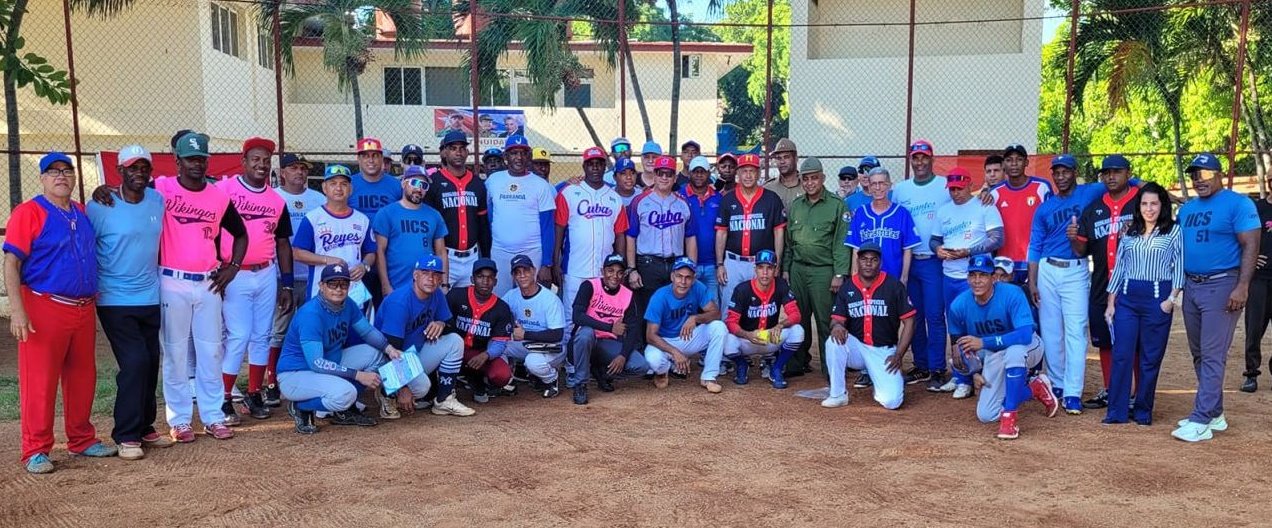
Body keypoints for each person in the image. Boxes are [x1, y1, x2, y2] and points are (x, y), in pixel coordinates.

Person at [6, 152, 116, 473]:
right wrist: (17, 310)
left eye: (67, 171)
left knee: (82, 376)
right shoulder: (29, 212)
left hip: (82, 307)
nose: (61, 176)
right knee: (40, 380)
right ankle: (35, 449)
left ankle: (81, 439)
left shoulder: (81, 212)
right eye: (53, 171)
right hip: (44, 305)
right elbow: (11, 262)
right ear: (42, 178)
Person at [156, 133, 248, 442]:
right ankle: (180, 420)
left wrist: (232, 268)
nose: (197, 163)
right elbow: (130, 193)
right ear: (178, 161)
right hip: (172, 280)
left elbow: (241, 234)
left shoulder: (218, 196)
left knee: (211, 352)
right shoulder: (162, 188)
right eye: (191, 158)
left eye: (202, 158)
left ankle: (212, 416)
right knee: (175, 353)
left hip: (208, 282)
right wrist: (106, 190)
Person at [86, 145, 170, 462]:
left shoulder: (157, 200)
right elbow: (85, 245)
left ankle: (146, 426)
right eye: (132, 168)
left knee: (150, 361)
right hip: (114, 299)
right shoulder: (99, 205)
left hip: (150, 295)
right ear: (120, 171)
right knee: (134, 362)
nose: (139, 173)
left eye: (144, 168)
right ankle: (126, 434)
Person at [1172, 153, 1260, 442]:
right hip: (1192, 286)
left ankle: (1200, 418)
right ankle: (1215, 413)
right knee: (1199, 352)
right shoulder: (1187, 210)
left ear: (1219, 174)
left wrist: (1242, 285)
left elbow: (1250, 245)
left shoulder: (1239, 203)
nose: (1199, 179)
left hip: (1223, 285)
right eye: (1195, 175)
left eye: (1205, 173)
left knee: (1212, 354)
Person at [217, 137, 294, 426]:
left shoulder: (276, 200)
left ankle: (253, 393)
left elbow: (283, 242)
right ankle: (224, 397)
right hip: (234, 272)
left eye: (266, 160)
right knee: (238, 336)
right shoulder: (224, 189)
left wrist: (286, 284)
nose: (261, 165)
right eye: (255, 159)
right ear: (244, 161)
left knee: (261, 335)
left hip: (265, 272)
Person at [276, 264, 402, 434]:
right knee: (345, 394)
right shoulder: (311, 314)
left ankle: (345, 411)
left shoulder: (347, 304)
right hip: (296, 374)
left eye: (343, 284)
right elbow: (317, 363)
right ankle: (301, 406)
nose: (338, 289)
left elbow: (367, 332)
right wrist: (359, 375)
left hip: (329, 361)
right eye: (332, 284)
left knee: (375, 354)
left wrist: (389, 349)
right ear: (321, 286)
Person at [947, 254, 1058, 440]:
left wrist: (983, 343)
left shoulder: (1012, 294)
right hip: (995, 354)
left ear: (993, 278)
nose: (977, 281)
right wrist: (974, 372)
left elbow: (1023, 335)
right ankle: (1036, 388)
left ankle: (1010, 417)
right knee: (986, 415)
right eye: (972, 275)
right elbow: (960, 349)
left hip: (1029, 346)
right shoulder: (959, 305)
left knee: (1014, 352)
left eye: (982, 275)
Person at [1103, 182, 1183, 425]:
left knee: (1150, 357)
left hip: (1157, 299)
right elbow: (1120, 267)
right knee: (1122, 354)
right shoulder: (1130, 231)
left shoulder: (1173, 231)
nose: (1149, 209)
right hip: (1127, 299)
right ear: (1139, 206)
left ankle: (1143, 411)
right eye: (1144, 204)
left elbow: (1179, 266)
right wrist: (1111, 302)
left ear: (1162, 205)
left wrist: (1170, 301)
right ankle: (1116, 412)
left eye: (1154, 204)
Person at [1070, 155, 1142, 410]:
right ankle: (1112, 390)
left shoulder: (1141, 201)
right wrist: (1073, 239)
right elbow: (1082, 250)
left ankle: (1136, 394)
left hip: (1135, 283)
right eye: (1106, 173)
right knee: (1104, 339)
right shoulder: (1094, 208)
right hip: (1102, 283)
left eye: (1117, 172)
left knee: (1134, 340)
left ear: (1128, 173)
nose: (1111, 177)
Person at [932, 167, 1004, 398]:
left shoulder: (984, 205)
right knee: (954, 324)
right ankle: (959, 374)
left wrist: (969, 252)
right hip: (949, 274)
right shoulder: (944, 210)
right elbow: (934, 239)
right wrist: (938, 250)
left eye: (960, 188)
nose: (955, 193)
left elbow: (997, 238)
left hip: (974, 276)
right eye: (952, 189)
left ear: (969, 184)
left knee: (975, 325)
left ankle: (976, 377)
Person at [375, 256, 476, 418]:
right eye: (425, 273)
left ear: (441, 278)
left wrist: (441, 324)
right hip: (387, 359)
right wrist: (403, 387)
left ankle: (444, 399)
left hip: (414, 354)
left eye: (436, 274)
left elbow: (451, 324)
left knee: (455, 341)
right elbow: (390, 349)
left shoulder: (436, 294)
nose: (431, 279)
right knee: (421, 388)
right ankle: (386, 392)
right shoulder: (399, 302)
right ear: (415, 275)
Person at [821, 243, 915, 410]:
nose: (869, 263)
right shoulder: (847, 286)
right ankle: (837, 394)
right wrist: (836, 326)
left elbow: (910, 321)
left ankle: (881, 379)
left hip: (884, 351)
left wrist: (899, 354)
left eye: (874, 259)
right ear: (858, 261)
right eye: (864, 259)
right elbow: (836, 319)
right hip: (857, 347)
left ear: (880, 262)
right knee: (833, 342)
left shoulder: (893, 286)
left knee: (892, 402)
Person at [782, 156, 850, 380]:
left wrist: (839, 273)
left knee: (824, 320)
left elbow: (841, 243)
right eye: (806, 179)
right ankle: (796, 362)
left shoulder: (836, 205)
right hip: (798, 269)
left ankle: (831, 368)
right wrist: (786, 269)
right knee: (797, 318)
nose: (810, 183)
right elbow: (789, 243)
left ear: (822, 178)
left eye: (814, 178)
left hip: (824, 271)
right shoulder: (797, 206)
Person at [892, 142, 951, 388]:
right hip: (908, 260)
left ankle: (937, 367)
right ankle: (922, 365)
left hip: (933, 260)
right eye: (915, 158)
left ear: (932, 159)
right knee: (913, 315)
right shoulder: (901, 189)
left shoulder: (944, 186)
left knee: (935, 315)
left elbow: (963, 202)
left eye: (924, 158)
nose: (919, 162)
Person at [268, 153, 324, 406]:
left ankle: (306, 377)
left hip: (313, 276)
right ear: (282, 172)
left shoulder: (318, 199)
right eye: (293, 167)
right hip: (281, 277)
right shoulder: (274, 197)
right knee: (278, 330)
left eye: (303, 168)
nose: (299, 172)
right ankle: (271, 382)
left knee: (311, 330)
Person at [626, 155, 696, 344]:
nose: (664, 177)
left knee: (675, 309)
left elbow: (690, 237)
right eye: (660, 173)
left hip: (676, 263)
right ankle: (647, 356)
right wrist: (632, 269)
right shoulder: (640, 201)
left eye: (669, 174)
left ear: (675, 177)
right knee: (648, 310)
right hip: (648, 263)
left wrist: (692, 267)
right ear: (654, 175)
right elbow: (630, 237)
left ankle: (674, 354)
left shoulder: (683, 203)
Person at [567, 254, 651, 404]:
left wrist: (623, 356)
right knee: (586, 333)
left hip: (606, 344)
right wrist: (609, 327)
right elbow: (577, 317)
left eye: (620, 272)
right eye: (610, 270)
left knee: (641, 366)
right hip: (582, 343)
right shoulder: (589, 286)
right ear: (603, 271)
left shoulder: (627, 295)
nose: (615, 276)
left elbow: (633, 329)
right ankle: (580, 384)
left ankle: (603, 374)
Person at [555, 146, 627, 321]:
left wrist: (621, 266)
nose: (595, 167)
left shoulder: (615, 197)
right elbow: (559, 229)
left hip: (605, 271)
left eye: (599, 163)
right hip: (574, 268)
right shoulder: (569, 192)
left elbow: (620, 235)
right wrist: (555, 263)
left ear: (605, 167)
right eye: (590, 164)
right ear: (584, 167)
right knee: (571, 317)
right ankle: (569, 348)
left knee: (601, 317)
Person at [716, 153, 788, 326]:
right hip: (733, 262)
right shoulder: (728, 199)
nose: (748, 175)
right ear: (738, 173)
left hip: (761, 264)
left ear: (758, 173)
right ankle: (729, 350)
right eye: (744, 171)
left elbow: (779, 233)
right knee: (728, 307)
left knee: (760, 306)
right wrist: (720, 264)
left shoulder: (771, 199)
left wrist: (777, 263)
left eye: (752, 171)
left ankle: (761, 348)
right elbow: (721, 233)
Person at [292, 165, 377, 305]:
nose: (338, 188)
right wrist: (327, 260)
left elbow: (371, 253)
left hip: (353, 290)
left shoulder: (362, 220)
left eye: (344, 184)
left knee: (354, 326)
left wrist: (364, 266)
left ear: (350, 189)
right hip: (320, 290)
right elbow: (297, 253)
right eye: (333, 184)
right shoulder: (313, 218)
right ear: (324, 188)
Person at [643, 257, 728, 393]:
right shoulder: (660, 296)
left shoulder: (698, 287)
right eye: (679, 276)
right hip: (665, 342)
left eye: (688, 277)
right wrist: (675, 352)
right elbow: (650, 336)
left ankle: (709, 376)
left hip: (687, 338)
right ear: (672, 277)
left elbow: (716, 313)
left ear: (693, 279)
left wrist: (696, 318)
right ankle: (663, 371)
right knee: (653, 359)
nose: (683, 282)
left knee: (719, 327)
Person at [485, 135, 556, 296]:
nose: (518, 157)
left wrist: (546, 263)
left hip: (531, 251)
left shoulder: (541, 185)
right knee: (499, 298)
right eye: (513, 153)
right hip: (500, 251)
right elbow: (490, 216)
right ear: (505, 157)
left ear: (529, 156)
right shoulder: (493, 181)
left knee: (530, 298)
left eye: (523, 153)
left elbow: (547, 226)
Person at [724, 250, 804, 387]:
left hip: (769, 337)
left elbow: (796, 314)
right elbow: (731, 322)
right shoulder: (742, 289)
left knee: (798, 331)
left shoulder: (781, 285)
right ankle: (742, 364)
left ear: (775, 269)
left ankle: (776, 367)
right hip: (747, 339)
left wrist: (780, 325)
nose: (765, 273)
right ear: (755, 269)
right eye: (761, 268)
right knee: (726, 340)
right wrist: (747, 334)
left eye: (769, 268)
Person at [426, 132, 491, 289]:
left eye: (462, 148)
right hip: (446, 256)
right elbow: (429, 225)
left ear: (467, 152)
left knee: (468, 307)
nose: (458, 152)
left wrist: (486, 257)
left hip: (472, 257)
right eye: (453, 148)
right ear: (444, 152)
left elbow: (482, 224)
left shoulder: (477, 183)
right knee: (443, 305)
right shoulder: (434, 182)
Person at [447, 259, 516, 403]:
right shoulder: (456, 295)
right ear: (472, 279)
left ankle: (478, 379)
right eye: (481, 276)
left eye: (490, 277)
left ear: (495, 282)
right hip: (452, 348)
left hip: (479, 352)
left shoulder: (502, 308)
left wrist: (486, 355)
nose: (485, 281)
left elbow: (499, 342)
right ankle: (441, 388)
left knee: (502, 374)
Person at [373, 164, 448, 296]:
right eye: (415, 182)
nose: (419, 188)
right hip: (397, 287)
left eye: (424, 185)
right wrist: (385, 285)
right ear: (403, 184)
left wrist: (444, 284)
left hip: (427, 287)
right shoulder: (386, 213)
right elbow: (380, 252)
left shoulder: (434, 215)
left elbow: (441, 252)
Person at [501, 255, 568, 398]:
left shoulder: (549, 299)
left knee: (533, 362)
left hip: (552, 347)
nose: (522, 275)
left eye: (525, 270)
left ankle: (551, 379)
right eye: (517, 272)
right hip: (527, 344)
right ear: (513, 276)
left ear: (534, 271)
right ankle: (507, 380)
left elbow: (557, 335)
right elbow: (498, 314)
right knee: (497, 346)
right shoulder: (511, 296)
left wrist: (525, 335)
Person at [348, 137, 401, 308]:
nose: (370, 160)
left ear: (381, 159)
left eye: (375, 155)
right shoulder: (349, 184)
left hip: (389, 255)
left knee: (387, 307)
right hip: (358, 256)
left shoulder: (395, 185)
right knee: (356, 310)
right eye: (365, 156)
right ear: (359, 159)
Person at [990, 143, 1053, 285]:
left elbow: (1051, 224)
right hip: (1003, 265)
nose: (1014, 164)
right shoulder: (994, 193)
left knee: (1034, 304)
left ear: (1026, 162)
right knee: (1005, 305)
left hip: (1034, 262)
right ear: (1004, 164)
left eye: (1018, 159)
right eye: (1009, 160)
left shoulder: (1041, 187)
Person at [844, 167, 920, 279]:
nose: (878, 187)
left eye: (882, 183)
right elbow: (855, 249)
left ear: (889, 185)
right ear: (869, 187)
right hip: (865, 280)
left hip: (893, 277)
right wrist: (855, 279)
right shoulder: (861, 213)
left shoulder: (902, 213)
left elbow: (907, 250)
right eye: (874, 184)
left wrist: (904, 279)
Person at [1243, 168, 1272, 393]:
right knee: (1254, 329)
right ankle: (1251, 374)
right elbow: (1243, 238)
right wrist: (1252, 258)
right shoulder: (1256, 209)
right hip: (1259, 279)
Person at [682, 155, 723, 307]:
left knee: (712, 308)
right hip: (687, 264)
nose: (699, 175)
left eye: (702, 171)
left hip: (712, 264)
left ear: (708, 173)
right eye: (695, 171)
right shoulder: (680, 196)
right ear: (690, 173)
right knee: (688, 308)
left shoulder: (718, 198)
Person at [764, 138, 802, 207]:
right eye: (778, 158)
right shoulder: (768, 188)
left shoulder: (807, 186)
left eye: (786, 157)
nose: (782, 162)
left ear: (796, 158)